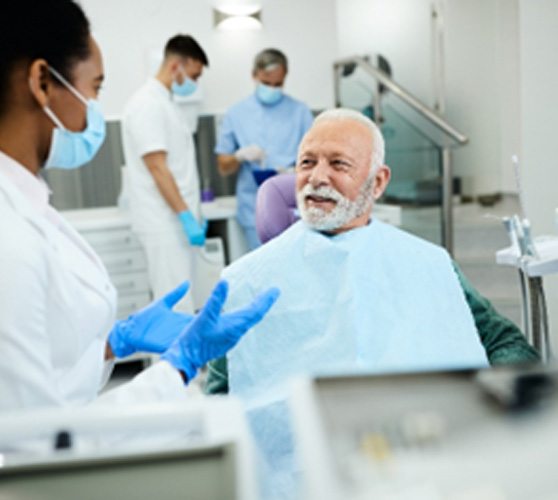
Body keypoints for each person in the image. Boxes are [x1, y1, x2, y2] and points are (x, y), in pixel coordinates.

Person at [205, 108, 540, 495]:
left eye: (338, 164)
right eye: (307, 162)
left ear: (377, 181)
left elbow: (503, 343)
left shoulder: (428, 263)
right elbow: (219, 394)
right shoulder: (247, 279)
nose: (317, 177)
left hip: (425, 468)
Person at [0, 0, 279, 412]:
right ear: (42, 81)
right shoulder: (10, 235)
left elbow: (48, 367)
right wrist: (178, 369)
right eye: (94, 89)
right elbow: (37, 441)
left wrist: (114, 342)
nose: (92, 111)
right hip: (164, 223)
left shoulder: (25, 200)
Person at [122, 35, 209, 313]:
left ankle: (181, 357)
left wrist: (193, 213)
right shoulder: (147, 104)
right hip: (164, 223)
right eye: (193, 75)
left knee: (183, 303)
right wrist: (185, 216)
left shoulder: (165, 103)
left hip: (174, 223)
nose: (194, 83)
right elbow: (157, 167)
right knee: (175, 307)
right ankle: (171, 359)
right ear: (176, 66)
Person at [215, 48, 314, 250]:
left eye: (278, 84)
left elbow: (318, 157)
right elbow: (223, 167)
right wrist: (239, 156)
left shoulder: (300, 112)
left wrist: (295, 170)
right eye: (267, 83)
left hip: (294, 206)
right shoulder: (236, 113)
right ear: (255, 75)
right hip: (253, 208)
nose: (272, 88)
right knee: (263, 273)